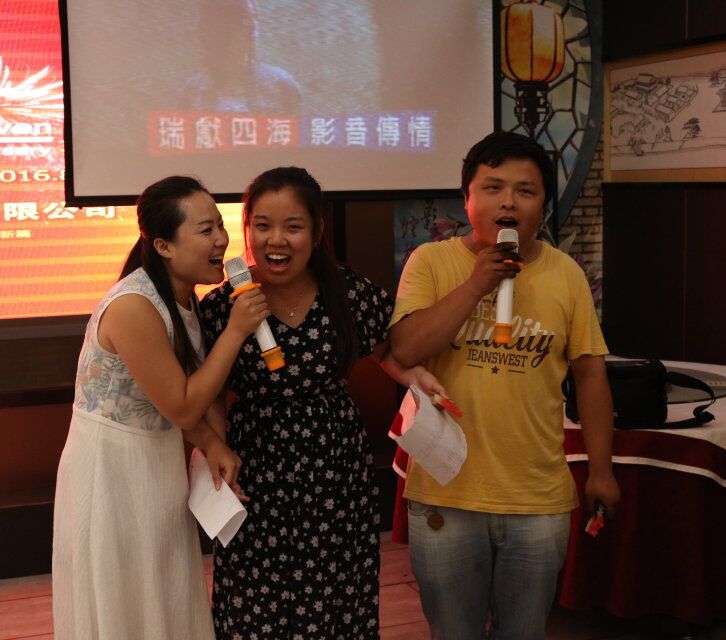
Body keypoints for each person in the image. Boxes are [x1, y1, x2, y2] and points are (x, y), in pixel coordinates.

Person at [388, 131, 621, 640]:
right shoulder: (431, 262)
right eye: (493, 188)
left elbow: (590, 377)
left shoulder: (566, 275)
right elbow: (404, 350)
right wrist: (478, 283)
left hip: (537, 499)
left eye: (525, 190)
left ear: (543, 205)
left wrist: (601, 471)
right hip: (446, 494)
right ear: (467, 198)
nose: (509, 202)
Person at [200, 166, 442, 640]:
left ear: (316, 232)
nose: (276, 240)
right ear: (247, 229)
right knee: (258, 600)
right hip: (257, 465)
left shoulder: (347, 291)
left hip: (336, 466)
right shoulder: (222, 304)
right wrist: (216, 446)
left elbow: (386, 351)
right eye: (262, 225)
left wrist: (418, 379)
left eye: (293, 226)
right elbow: (210, 393)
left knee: (336, 594)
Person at [51, 176, 268, 640]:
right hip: (112, 471)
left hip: (157, 462)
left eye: (220, 226)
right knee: (125, 600)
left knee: (163, 593)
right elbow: (183, 406)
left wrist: (211, 444)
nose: (221, 240)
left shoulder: (183, 296)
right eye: (206, 230)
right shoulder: (134, 305)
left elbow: (173, 405)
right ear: (164, 246)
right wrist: (236, 331)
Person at [183, 0, 302, 114]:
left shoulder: (281, 85)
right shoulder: (193, 90)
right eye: (228, 27)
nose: (249, 31)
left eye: (248, 24)